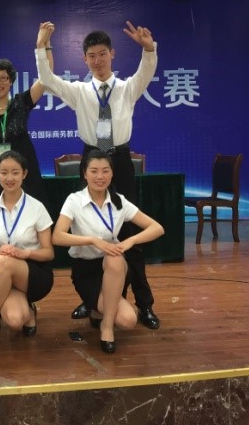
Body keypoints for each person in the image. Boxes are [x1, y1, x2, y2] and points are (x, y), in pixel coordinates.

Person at [35, 20, 162, 330]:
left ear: (112, 54)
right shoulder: (79, 92)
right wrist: (42, 46)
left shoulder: (127, 88)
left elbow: (146, 71)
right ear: (84, 59)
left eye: (102, 54)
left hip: (119, 160)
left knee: (129, 233)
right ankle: (92, 297)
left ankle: (144, 303)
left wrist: (149, 48)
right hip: (92, 158)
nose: (97, 60)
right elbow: (47, 80)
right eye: (91, 55)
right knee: (86, 225)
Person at [52, 150, 164, 353]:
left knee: (115, 260)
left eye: (105, 171)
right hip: (86, 270)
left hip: (115, 269)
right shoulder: (74, 200)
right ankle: (97, 311)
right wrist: (93, 240)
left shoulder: (119, 201)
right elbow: (57, 236)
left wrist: (130, 241)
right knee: (127, 319)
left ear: (112, 173)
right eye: (94, 171)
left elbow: (157, 228)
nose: (100, 176)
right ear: (84, 173)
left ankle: (106, 325)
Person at [0, 150, 54, 349]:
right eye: (4, 172)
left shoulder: (37, 207)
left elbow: (49, 253)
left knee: (4, 262)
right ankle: (29, 311)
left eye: (15, 172)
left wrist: (25, 253)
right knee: (15, 321)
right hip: (5, 273)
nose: (9, 178)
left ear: (24, 174)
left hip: (34, 273)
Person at [0, 45, 52, 203]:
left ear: (10, 81)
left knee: (31, 209)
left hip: (25, 169)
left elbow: (45, 78)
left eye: (3, 78)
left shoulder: (21, 102)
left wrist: (45, 46)